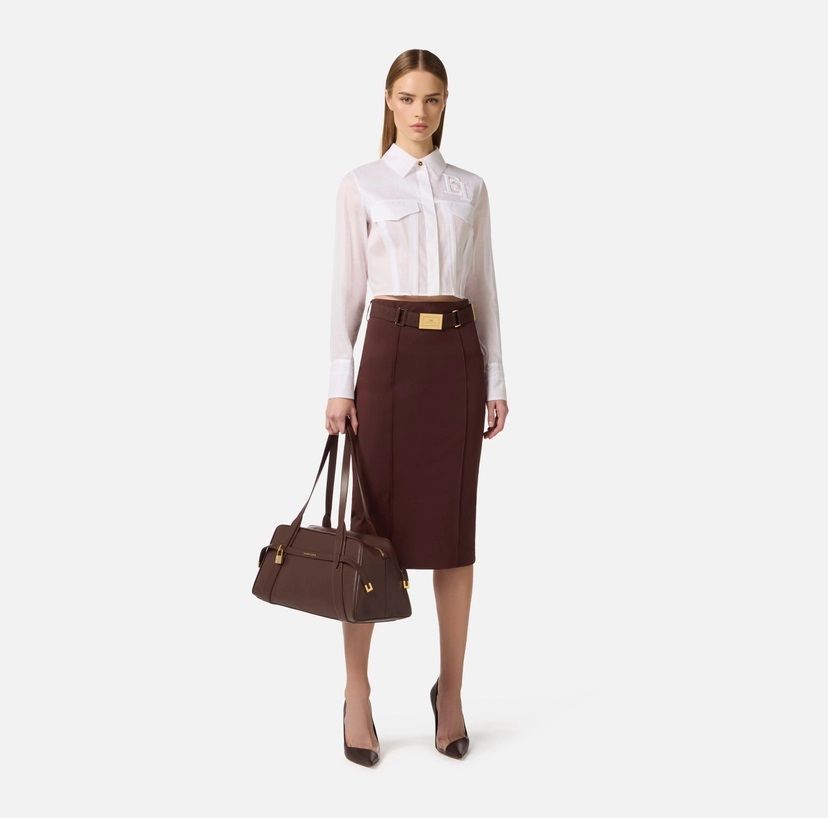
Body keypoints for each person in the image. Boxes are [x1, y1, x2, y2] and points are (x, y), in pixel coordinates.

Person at [324, 49, 509, 766]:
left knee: (453, 535)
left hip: (455, 363)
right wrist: (339, 384)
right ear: (388, 101)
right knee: (369, 536)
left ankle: (451, 692)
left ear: (445, 102)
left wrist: (495, 379)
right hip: (389, 362)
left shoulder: (470, 189)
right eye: (407, 98)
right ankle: (357, 691)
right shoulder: (361, 185)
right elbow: (345, 292)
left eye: (432, 99)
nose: (420, 112)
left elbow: (484, 288)